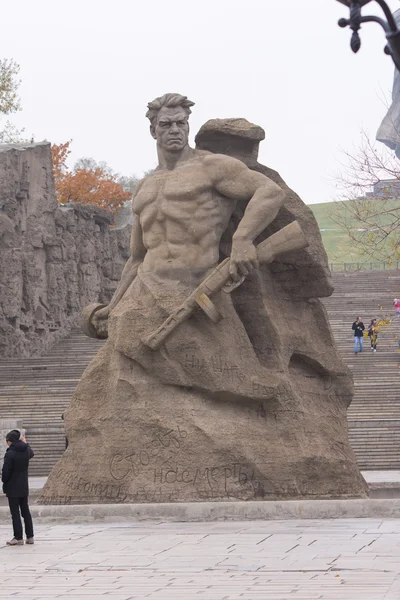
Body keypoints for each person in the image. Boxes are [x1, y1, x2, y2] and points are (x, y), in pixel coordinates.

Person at [1, 429, 34, 546]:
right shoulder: (26, 450)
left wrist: (4, 480)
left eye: (7, 441)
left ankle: (18, 537)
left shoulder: (10, 454)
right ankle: (30, 536)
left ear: (10, 441)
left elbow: (6, 472)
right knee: (26, 511)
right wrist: (25, 443)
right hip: (24, 486)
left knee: (15, 513)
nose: (7, 443)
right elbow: (31, 453)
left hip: (13, 488)